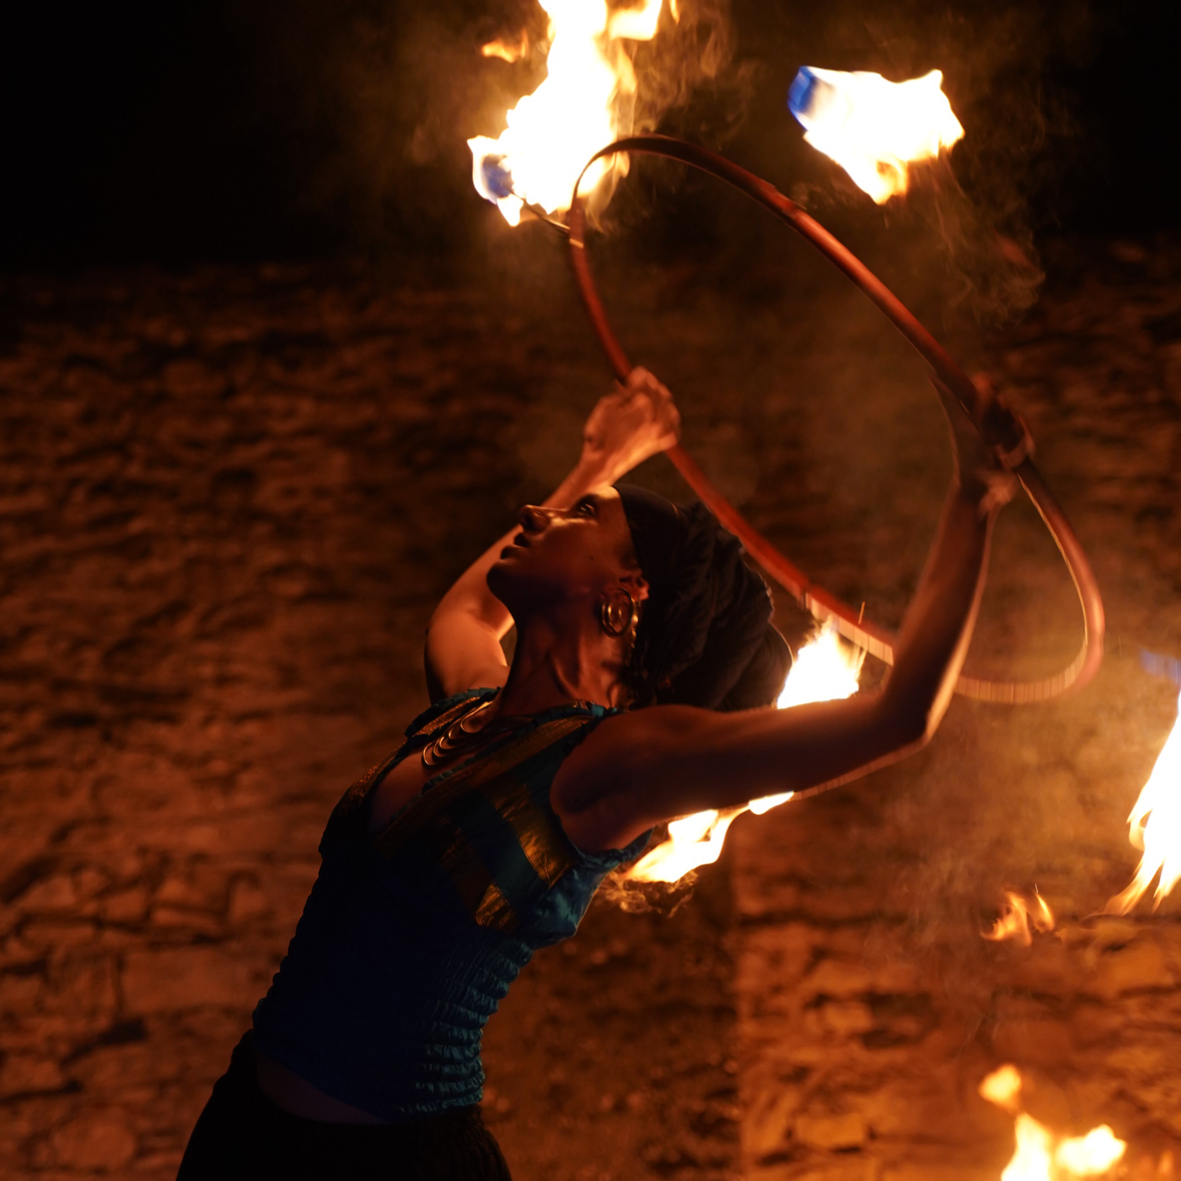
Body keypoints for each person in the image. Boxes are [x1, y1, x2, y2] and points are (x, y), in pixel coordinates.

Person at [177, 366, 1017, 1179]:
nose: (530, 514)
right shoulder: (464, 712)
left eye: (576, 515)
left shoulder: (606, 769)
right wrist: (603, 461)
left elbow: (898, 713)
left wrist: (973, 496)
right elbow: (467, 610)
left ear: (628, 590)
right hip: (242, 1129)